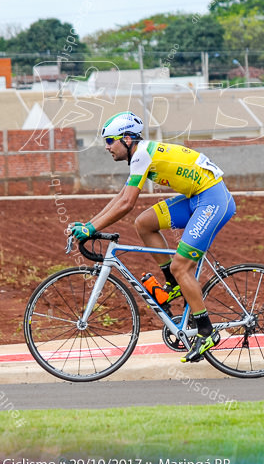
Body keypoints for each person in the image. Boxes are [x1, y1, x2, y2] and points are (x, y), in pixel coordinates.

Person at [70, 111, 236, 363]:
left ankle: (206, 331)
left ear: (127, 139)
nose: (106, 147)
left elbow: (126, 203)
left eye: (110, 141)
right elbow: (120, 198)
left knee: (183, 266)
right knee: (144, 223)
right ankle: (172, 284)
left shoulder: (142, 154)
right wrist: (89, 225)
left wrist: (90, 230)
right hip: (198, 198)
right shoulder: (141, 154)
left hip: (212, 199)